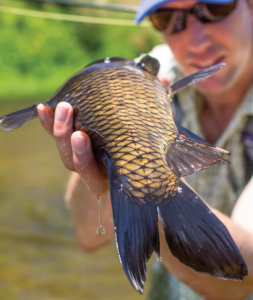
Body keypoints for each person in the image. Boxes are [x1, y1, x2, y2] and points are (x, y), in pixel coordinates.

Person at [36, 0, 253, 298]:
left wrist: (147, 179)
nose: (196, 40)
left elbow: (244, 280)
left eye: (214, 8)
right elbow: (87, 236)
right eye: (166, 19)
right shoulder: (145, 72)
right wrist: (106, 168)